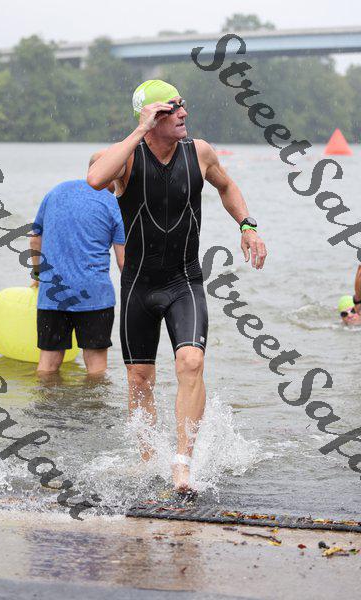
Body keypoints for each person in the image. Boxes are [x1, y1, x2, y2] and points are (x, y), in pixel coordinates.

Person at [87, 79, 267, 495]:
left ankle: (182, 465)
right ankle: (148, 459)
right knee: (139, 378)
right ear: (152, 117)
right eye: (172, 109)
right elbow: (95, 179)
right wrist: (140, 129)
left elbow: (227, 186)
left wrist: (247, 225)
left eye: (183, 105)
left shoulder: (199, 152)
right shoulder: (123, 158)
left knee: (191, 362)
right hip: (138, 285)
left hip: (183, 280)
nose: (184, 113)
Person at [30, 170, 125, 376]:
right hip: (95, 296)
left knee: (47, 365)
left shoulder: (55, 192)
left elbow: (35, 239)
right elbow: (123, 261)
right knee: (96, 369)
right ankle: (91, 399)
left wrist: (38, 275)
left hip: (53, 293)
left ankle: (45, 398)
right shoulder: (113, 203)